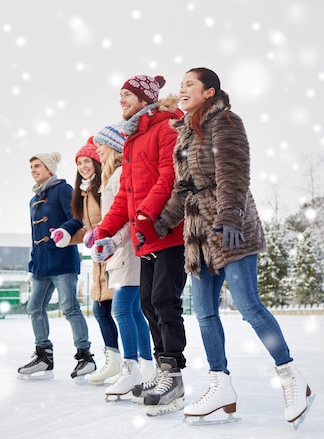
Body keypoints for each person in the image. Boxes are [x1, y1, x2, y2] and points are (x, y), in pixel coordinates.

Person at [153, 67, 313, 427]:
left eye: (189, 84)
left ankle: (291, 376)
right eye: (180, 86)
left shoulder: (225, 121)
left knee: (248, 304)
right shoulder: (184, 134)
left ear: (209, 91)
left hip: (230, 227)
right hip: (197, 232)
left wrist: (230, 215)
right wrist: (161, 222)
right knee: (205, 313)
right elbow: (183, 188)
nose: (182, 90)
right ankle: (219, 384)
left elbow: (234, 172)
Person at [90, 75, 188, 415]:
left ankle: (173, 373)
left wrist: (146, 215)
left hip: (168, 231)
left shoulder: (166, 126)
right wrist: (103, 230)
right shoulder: (132, 139)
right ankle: (162, 371)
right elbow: (125, 198)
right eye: (119, 96)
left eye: (127, 95)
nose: (121, 101)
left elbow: (169, 176)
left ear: (146, 98)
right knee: (147, 302)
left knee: (164, 300)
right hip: (145, 237)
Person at [87, 123, 154, 400]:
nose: (97, 150)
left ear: (114, 147)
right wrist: (98, 235)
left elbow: (126, 218)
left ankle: (132, 367)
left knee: (122, 310)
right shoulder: (111, 178)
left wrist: (112, 241)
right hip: (121, 253)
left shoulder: (117, 178)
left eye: (101, 144)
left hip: (126, 253)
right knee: (134, 311)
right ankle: (145, 368)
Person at [17, 151, 96, 380]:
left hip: (61, 260)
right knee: (34, 308)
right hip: (41, 263)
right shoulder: (33, 200)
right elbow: (35, 234)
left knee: (69, 307)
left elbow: (78, 217)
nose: (33, 170)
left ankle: (85, 356)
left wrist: (63, 231)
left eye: (37, 166)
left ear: (50, 168)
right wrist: (33, 261)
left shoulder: (63, 189)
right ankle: (44, 355)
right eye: (31, 167)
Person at [69, 138, 121, 385]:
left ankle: (127, 361)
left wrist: (99, 234)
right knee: (103, 311)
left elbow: (111, 219)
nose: (82, 166)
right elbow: (87, 229)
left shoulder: (104, 187)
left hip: (115, 254)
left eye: (87, 161)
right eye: (79, 162)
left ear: (97, 162)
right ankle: (115, 359)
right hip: (99, 258)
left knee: (117, 311)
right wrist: (66, 237)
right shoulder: (83, 192)